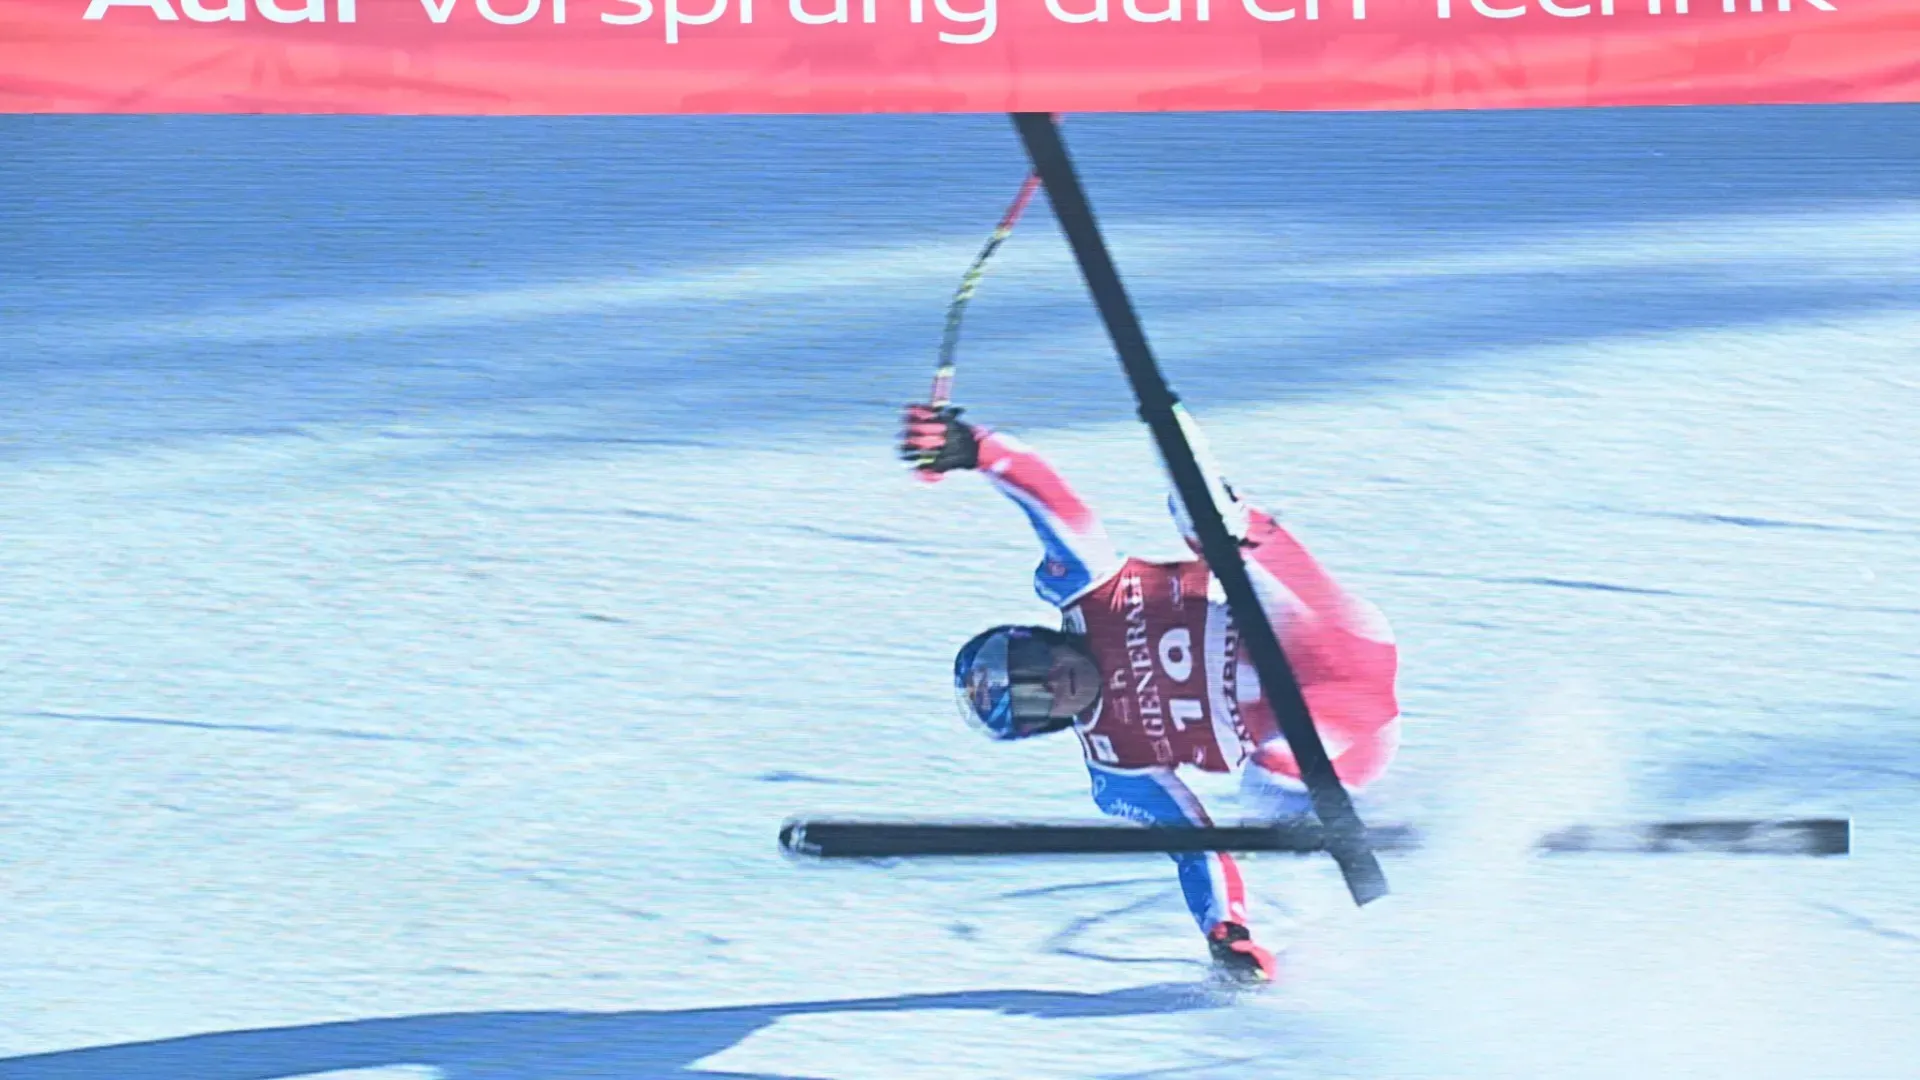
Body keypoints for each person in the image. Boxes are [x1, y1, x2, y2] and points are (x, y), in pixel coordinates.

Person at [898, 400, 1403, 985]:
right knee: (1268, 787)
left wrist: (975, 448)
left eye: (1033, 663)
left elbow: (1052, 500)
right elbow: (1197, 846)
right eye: (1036, 701)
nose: (1052, 683)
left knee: (1201, 517)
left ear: (1036, 635)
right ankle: (1400, 824)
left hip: (1325, 630)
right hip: (1344, 727)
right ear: (1041, 728)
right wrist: (1227, 933)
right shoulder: (1117, 767)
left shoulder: (1092, 591)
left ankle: (1177, 431)